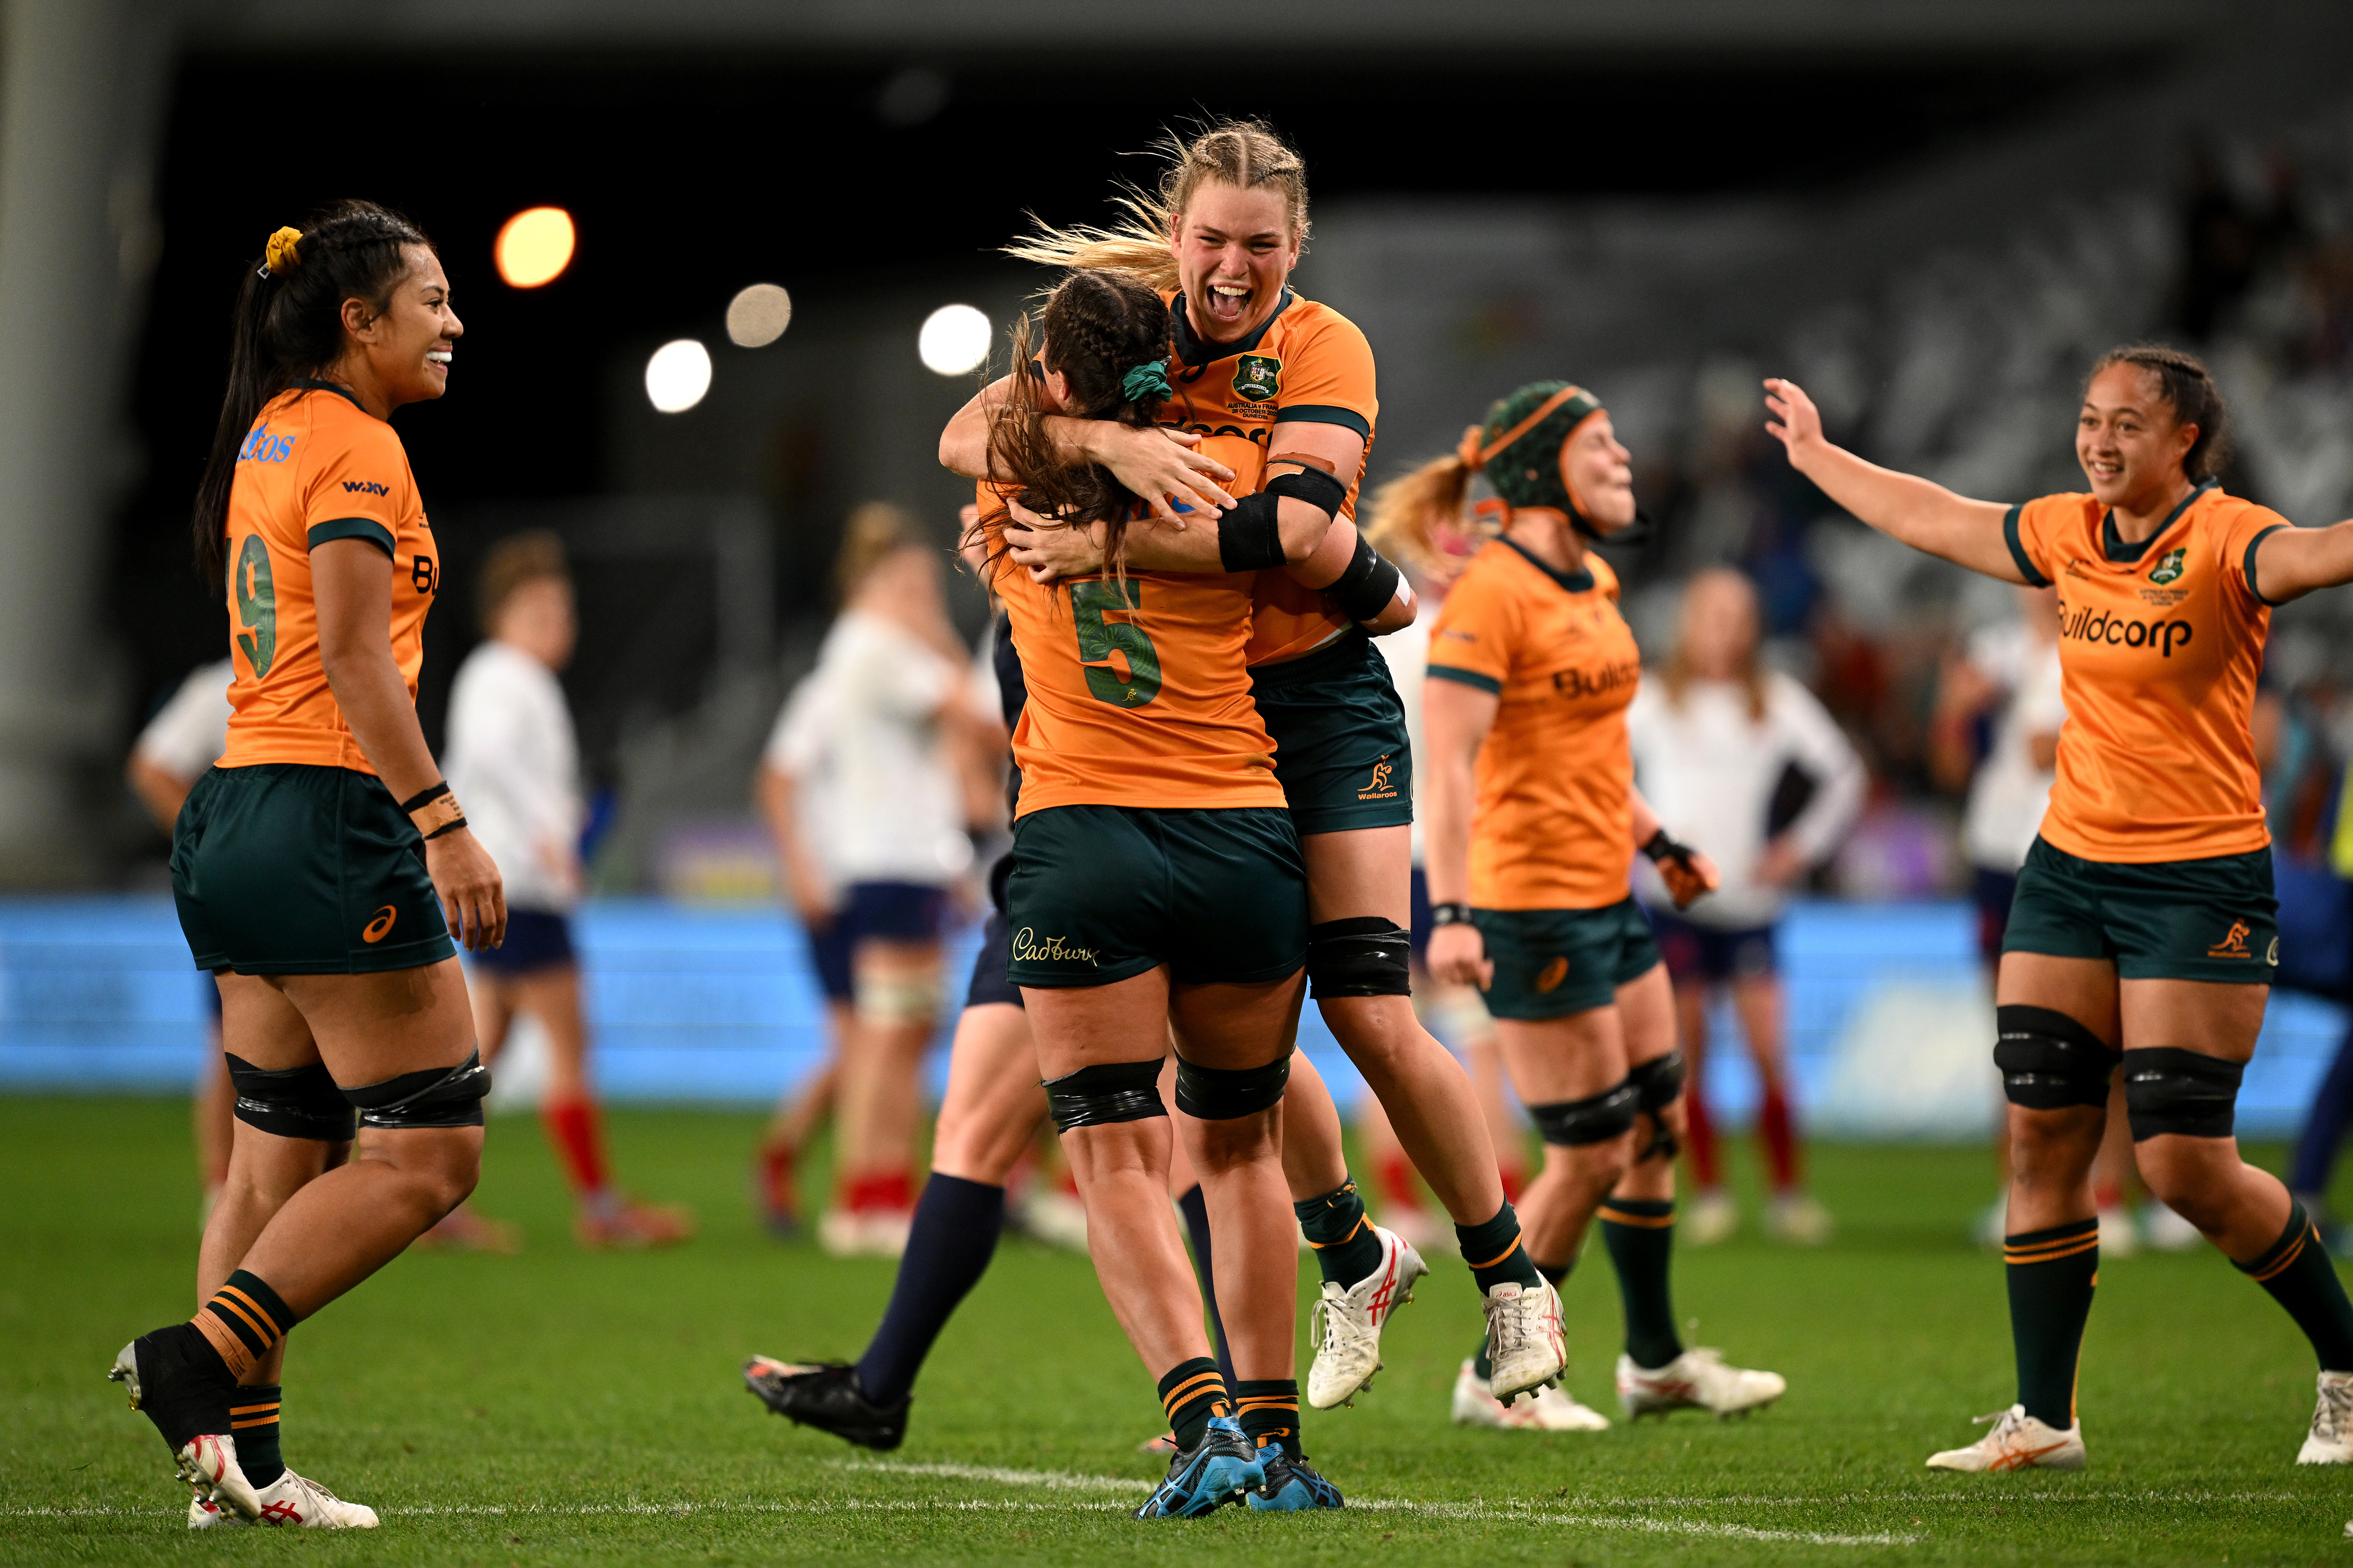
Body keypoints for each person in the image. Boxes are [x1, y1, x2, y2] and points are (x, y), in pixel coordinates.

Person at [958, 117, 1564, 1421]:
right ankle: (1348, 1250)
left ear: (1296, 246)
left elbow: (1297, 534)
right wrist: (1113, 454)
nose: (1232, 266)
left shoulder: (1321, 344)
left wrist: (1102, 537)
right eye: (1211, 239)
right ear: (1175, 235)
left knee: (1364, 1002)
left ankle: (1509, 1275)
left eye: (1261, 244)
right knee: (1221, 1033)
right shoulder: (1128, 325)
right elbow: (971, 433)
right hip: (1199, 712)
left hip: (1316, 700)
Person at [1765, 342, 2353, 1470]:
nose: (2097, 439)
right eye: (2088, 418)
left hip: (2199, 878)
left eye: (2124, 422)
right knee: (2039, 1134)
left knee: (2180, 1165)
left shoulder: (2228, 538)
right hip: (2068, 867)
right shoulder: (2064, 531)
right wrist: (1820, 455)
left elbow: (2321, 552)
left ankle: (2342, 1359)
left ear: (2183, 440)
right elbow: (1934, 517)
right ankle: (2044, 1416)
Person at [118, 204, 499, 1529]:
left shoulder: (269, 429)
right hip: (329, 817)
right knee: (435, 1149)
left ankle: (241, 1468)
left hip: (237, 812)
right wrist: (442, 820)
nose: (454, 321)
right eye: (432, 299)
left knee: (272, 1157)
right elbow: (349, 653)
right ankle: (197, 1359)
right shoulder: (354, 444)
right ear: (358, 318)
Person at [1400, 379, 1789, 1426]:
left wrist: (1655, 838)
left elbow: (1587, 752)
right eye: (1598, 444)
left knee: (1654, 1125)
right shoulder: (1489, 596)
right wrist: (1449, 911)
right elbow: (1444, 768)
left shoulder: (1595, 584)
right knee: (1588, 1151)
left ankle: (1655, 1362)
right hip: (1525, 904)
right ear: (1536, 470)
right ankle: (1496, 1375)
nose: (1621, 458)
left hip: (1609, 896)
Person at [444, 531, 693, 1250]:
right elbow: (491, 756)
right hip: (520, 887)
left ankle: (424, 1191)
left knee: (479, 1052)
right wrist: (551, 831)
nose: (559, 626)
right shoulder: (504, 675)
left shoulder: (509, 676)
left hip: (511, 885)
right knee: (566, 1043)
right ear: (502, 617)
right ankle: (599, 1205)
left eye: (563, 611)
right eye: (541, 611)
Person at [1628, 567, 1864, 1247]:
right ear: (1689, 622)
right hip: (1677, 903)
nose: (1723, 631)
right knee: (1688, 1053)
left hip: (1751, 902)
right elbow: (1598, 769)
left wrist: (1798, 848)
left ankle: (1789, 1195)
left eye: (1736, 617)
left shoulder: (1776, 701)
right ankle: (1709, 1193)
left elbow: (1844, 775)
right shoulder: (1652, 700)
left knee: (1767, 1051)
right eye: (1712, 615)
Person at [793, 503, 978, 1257]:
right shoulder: (880, 645)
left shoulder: (856, 645)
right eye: (909, 583)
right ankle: (866, 1197)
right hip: (891, 860)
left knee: (896, 1032)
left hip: (894, 858)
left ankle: (874, 1193)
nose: (920, 597)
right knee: (887, 1035)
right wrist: (936, 627)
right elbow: (977, 712)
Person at [126, 659, 236, 1219]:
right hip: (242, 885)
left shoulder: (332, 661)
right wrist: (207, 839)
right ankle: (221, 1187)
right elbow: (151, 765)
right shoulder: (222, 685)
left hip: (316, 879)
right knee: (234, 1037)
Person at [752, 666, 849, 1237]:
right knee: (859, 1043)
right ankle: (786, 1159)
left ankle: (802, 1163)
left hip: (878, 887)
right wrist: (799, 866)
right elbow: (776, 779)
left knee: (874, 1045)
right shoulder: (826, 691)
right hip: (833, 895)